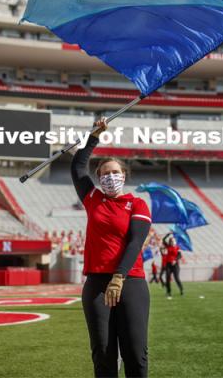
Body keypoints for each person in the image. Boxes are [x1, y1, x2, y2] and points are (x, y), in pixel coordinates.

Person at [71, 117, 152, 378]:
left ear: (124, 176)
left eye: (115, 172)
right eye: (105, 173)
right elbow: (77, 166)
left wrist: (119, 277)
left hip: (131, 282)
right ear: (98, 178)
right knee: (103, 354)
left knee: (135, 354)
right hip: (96, 284)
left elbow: (136, 241)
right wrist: (94, 136)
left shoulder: (137, 204)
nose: (110, 177)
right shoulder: (92, 198)